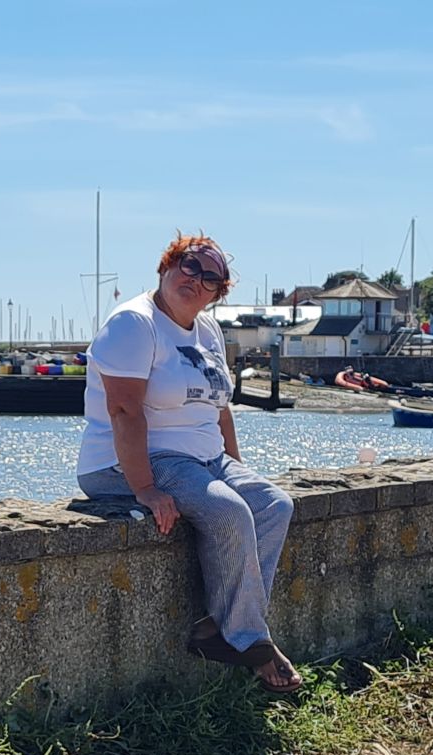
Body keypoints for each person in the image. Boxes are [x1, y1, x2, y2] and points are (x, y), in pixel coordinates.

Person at [75, 233, 303, 694]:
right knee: (228, 512)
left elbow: (220, 410)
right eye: (189, 265)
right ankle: (251, 643)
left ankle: (220, 630)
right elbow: (124, 411)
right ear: (166, 266)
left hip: (206, 459)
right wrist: (144, 489)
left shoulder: (208, 331)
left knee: (275, 506)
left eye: (210, 278)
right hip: (133, 461)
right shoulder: (134, 325)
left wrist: (237, 469)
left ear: (218, 293)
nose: (195, 280)